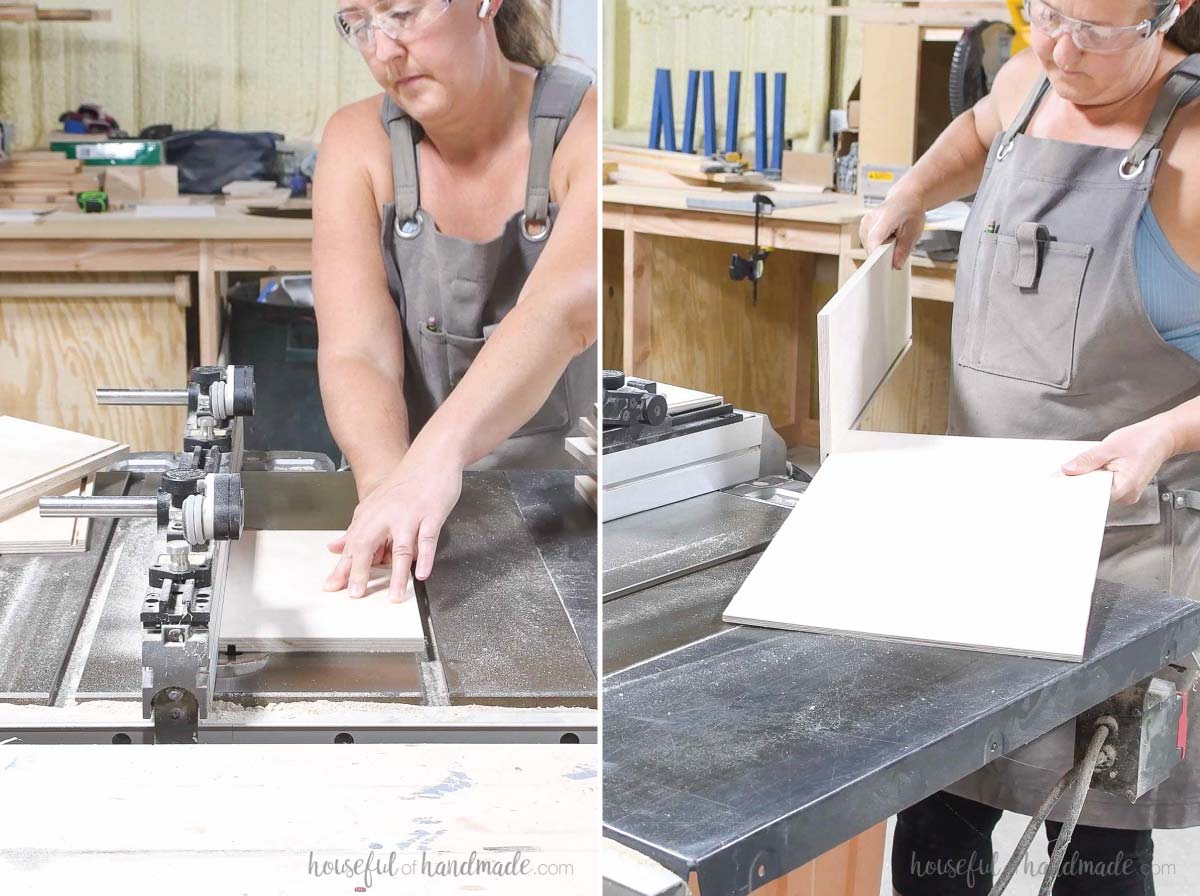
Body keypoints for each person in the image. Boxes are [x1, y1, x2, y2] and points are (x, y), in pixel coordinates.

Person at [861, 0, 1200, 891]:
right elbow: (975, 134)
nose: (1060, 47)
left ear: (1171, 14)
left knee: (1095, 842)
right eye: (1046, 13)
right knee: (935, 809)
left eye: (1096, 30)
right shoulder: (1024, 84)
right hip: (976, 542)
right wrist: (910, 191)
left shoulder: (1193, 151)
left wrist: (1166, 432)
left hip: (1118, 557)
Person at [312, 0, 597, 604]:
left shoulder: (586, 133)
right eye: (358, 24)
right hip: (409, 496)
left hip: (564, 515)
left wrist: (430, 465)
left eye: (403, 13)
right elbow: (357, 351)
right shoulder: (356, 143)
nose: (383, 50)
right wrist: (389, 490)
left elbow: (560, 313)